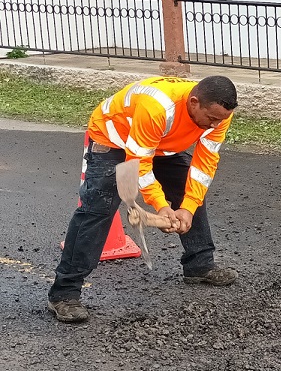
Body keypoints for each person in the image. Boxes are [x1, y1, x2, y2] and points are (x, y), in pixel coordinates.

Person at [47, 75, 239, 323]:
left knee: (187, 189)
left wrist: (188, 209)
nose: (214, 125)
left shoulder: (219, 113)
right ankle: (63, 294)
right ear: (194, 102)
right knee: (98, 208)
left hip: (157, 142)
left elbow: (205, 164)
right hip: (113, 139)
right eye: (211, 119)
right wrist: (160, 206)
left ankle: (199, 265)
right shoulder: (158, 107)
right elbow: (138, 164)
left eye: (219, 120)